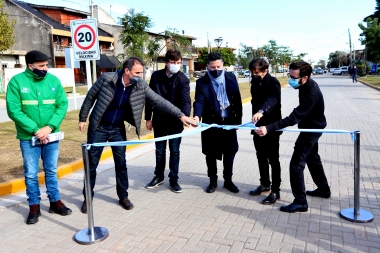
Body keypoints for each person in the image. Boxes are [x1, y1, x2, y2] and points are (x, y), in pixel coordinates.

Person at [78, 56, 195, 213]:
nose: (141, 76)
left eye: (142, 72)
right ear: (127, 71)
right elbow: (90, 97)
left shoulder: (140, 85)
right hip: (98, 127)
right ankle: (88, 198)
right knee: (91, 164)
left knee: (121, 164)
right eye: (137, 72)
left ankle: (123, 196)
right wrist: (83, 118)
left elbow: (159, 101)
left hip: (118, 129)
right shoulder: (106, 79)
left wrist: (181, 115)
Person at [255, 61, 331, 213]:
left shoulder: (310, 93)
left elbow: (293, 118)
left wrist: (268, 128)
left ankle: (300, 202)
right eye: (290, 75)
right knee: (312, 157)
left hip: (312, 130)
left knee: (296, 165)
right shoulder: (305, 85)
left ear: (305, 77)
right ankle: (323, 189)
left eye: (294, 78)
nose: (291, 80)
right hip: (311, 127)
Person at [6, 50, 71, 224]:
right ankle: (34, 205)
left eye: (46, 65)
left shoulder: (53, 81)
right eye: (41, 66)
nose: (45, 68)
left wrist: (49, 128)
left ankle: (55, 201)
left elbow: (62, 104)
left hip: (51, 136)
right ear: (30, 66)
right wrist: (36, 130)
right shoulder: (16, 82)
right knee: (31, 174)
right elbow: (14, 110)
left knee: (51, 170)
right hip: (29, 138)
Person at [193, 52, 243, 194]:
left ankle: (228, 180)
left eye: (219, 67)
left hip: (229, 123)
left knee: (230, 152)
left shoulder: (231, 77)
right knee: (211, 154)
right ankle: (212, 181)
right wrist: (197, 116)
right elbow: (199, 101)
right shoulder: (202, 82)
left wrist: (237, 121)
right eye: (213, 67)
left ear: (223, 65)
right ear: (208, 66)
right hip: (211, 123)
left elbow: (238, 101)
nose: (216, 70)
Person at [144, 49, 191, 193]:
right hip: (159, 120)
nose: (176, 65)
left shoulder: (183, 79)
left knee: (175, 151)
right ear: (166, 62)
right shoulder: (156, 76)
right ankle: (158, 176)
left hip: (175, 121)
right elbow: (149, 97)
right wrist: (148, 118)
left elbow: (186, 101)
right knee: (159, 150)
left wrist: (185, 116)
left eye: (178, 62)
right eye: (173, 62)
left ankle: (174, 179)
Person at [248, 58, 282, 205]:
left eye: (256, 72)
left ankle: (275, 190)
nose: (254, 75)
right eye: (252, 72)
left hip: (271, 127)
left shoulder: (273, 82)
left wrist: (262, 111)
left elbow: (272, 99)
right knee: (260, 156)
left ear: (265, 71)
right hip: (257, 126)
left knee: (273, 159)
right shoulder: (254, 83)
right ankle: (265, 184)